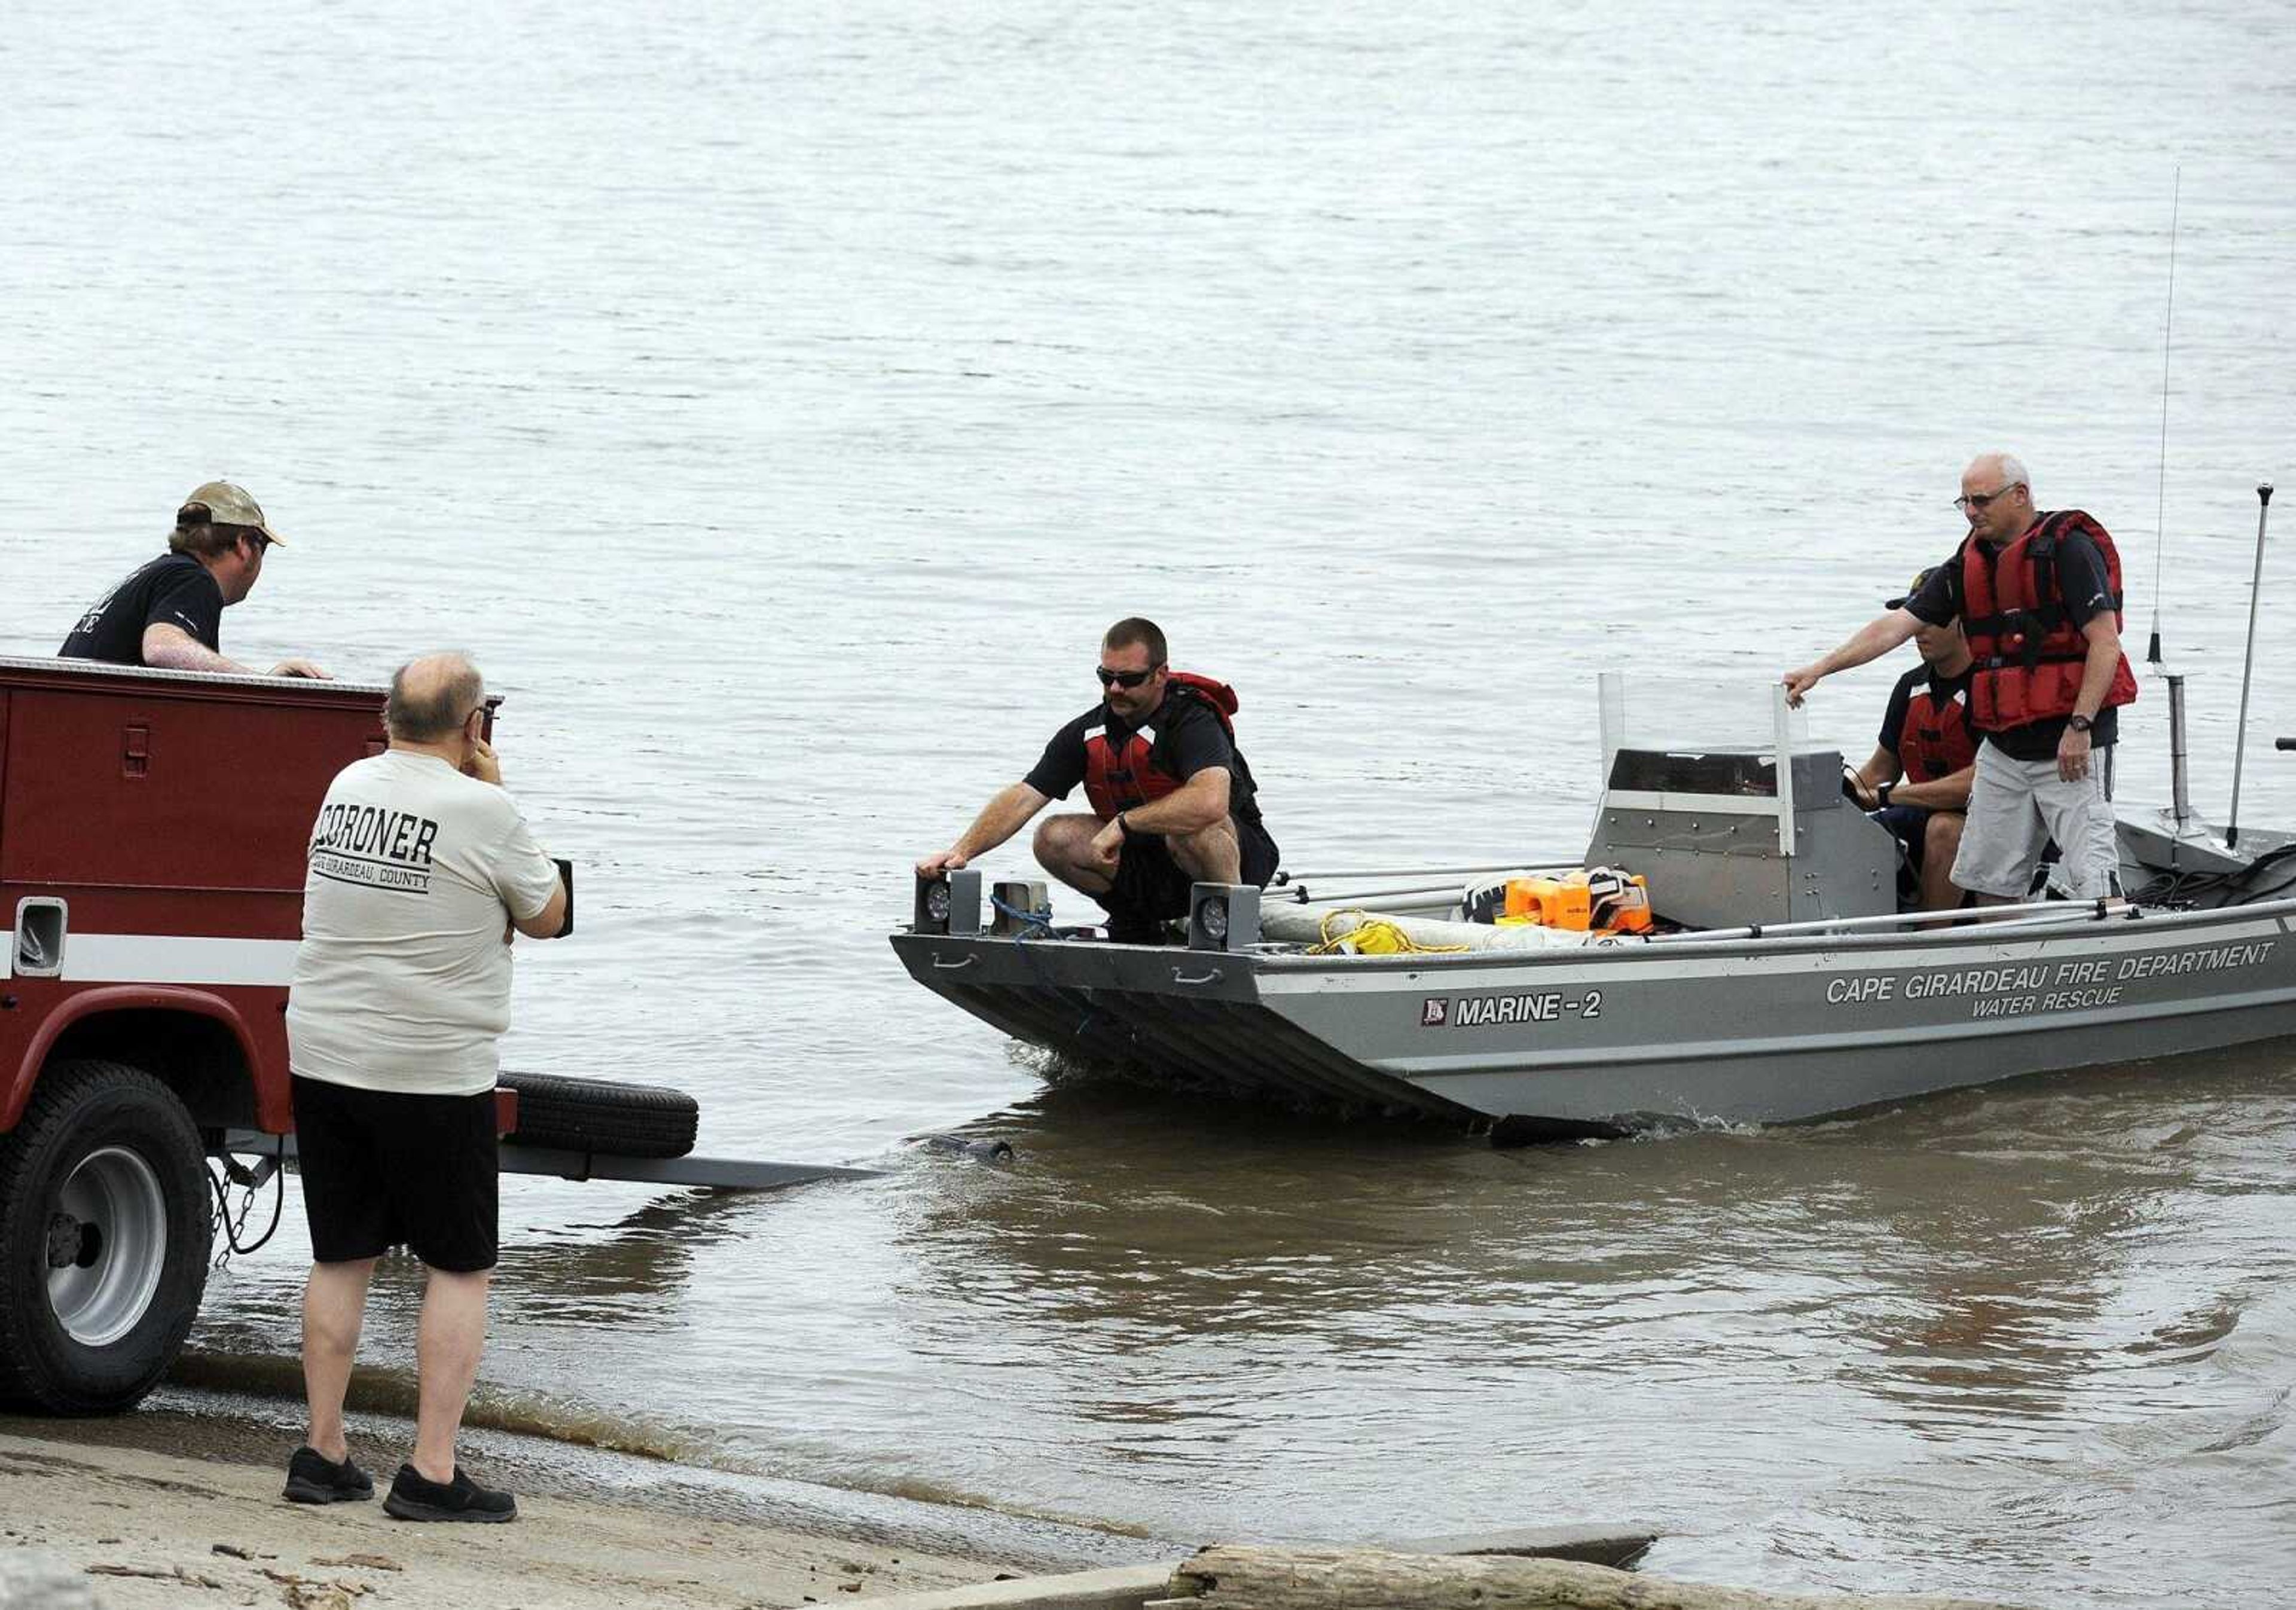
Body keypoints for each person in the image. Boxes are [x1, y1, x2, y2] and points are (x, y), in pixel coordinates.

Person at [280, 652, 567, 1523]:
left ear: (388, 717)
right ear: (476, 724)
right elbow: (548, 914)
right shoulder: (487, 807)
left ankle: (323, 1452)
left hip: (324, 1050)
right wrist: (497, 782)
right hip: (431, 1068)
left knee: (342, 1253)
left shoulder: (346, 782)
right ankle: (432, 1470)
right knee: (461, 1263)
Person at [1784, 453, 2136, 904]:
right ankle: (1994, 966)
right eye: (1964, 502)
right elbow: (1895, 626)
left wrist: (2081, 726)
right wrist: (1820, 669)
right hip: (2005, 750)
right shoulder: (1967, 564)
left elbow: (2105, 644)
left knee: (2095, 880)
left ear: (2020, 496)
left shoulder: (2069, 549)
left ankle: (2105, 956)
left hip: (2070, 750)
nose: (1972, 512)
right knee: (1988, 880)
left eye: (1982, 500)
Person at [917, 618, 1279, 942]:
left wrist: (1125, 823)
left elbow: (1211, 802)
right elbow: (1025, 795)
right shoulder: (1089, 731)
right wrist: (961, 851)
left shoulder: (1192, 722)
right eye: (1107, 678)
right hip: (1153, 870)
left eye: (1129, 680)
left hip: (1235, 858)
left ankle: (1234, 926)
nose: (1116, 689)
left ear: (1160, 675)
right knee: (1053, 837)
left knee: (1195, 827)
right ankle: (1137, 923)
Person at [59, 481, 327, 677]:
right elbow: (162, 649)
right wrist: (260, 683)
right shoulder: (193, 579)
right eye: (264, 547)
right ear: (244, 545)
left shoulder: (158, 575)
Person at [1848, 569, 1977, 911]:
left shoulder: (1993, 685)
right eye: (1915, 620)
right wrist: (1839, 799)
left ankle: (1930, 941)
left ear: (1965, 621)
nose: (1919, 632)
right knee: (1852, 837)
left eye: (1931, 620)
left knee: (1945, 829)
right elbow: (1879, 769)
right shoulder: (1910, 686)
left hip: (1992, 821)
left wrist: (1888, 796)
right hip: (1919, 813)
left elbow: (1984, 782)